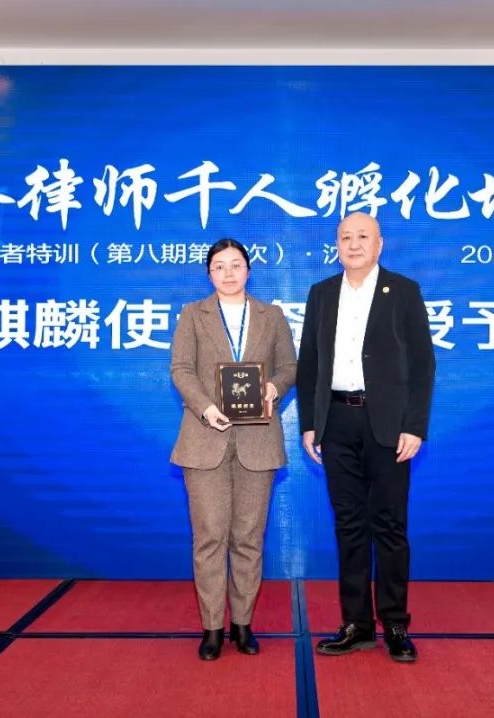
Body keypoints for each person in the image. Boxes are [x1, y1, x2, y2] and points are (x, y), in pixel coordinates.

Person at [296, 212, 436, 663]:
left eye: (362, 236)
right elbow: (309, 363)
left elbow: (423, 364)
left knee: (390, 527)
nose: (353, 244)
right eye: (345, 237)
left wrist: (414, 425)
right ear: (336, 246)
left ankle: (395, 624)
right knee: (349, 526)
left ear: (379, 244)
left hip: (389, 426)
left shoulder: (404, 291)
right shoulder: (321, 294)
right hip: (337, 422)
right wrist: (310, 422)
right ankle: (356, 624)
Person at [170, 238, 298, 660]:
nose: (228, 273)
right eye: (219, 266)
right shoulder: (193, 315)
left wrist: (273, 388)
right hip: (204, 439)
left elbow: (289, 367)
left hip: (257, 442)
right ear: (209, 274)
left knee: (248, 538)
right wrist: (206, 408)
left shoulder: (271, 316)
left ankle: (242, 624)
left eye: (236, 264)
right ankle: (212, 627)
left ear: (248, 270)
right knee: (209, 538)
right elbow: (181, 370)